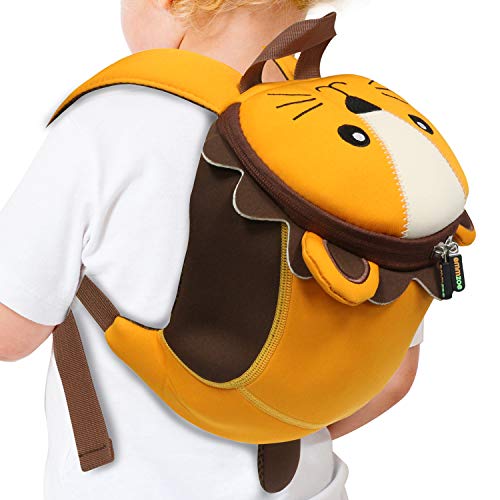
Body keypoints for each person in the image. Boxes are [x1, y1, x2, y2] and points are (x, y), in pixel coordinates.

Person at [0, 1, 423, 498]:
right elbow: (394, 377)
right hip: (306, 487)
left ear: (173, 3)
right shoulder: (351, 132)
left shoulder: (107, 122)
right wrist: (269, 426)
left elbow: (12, 334)